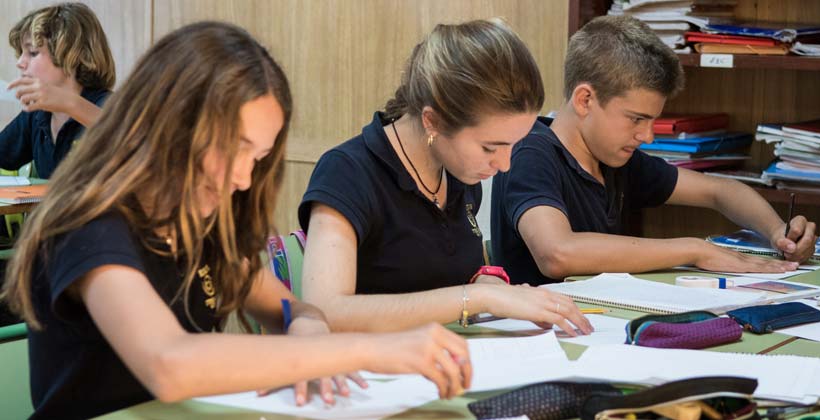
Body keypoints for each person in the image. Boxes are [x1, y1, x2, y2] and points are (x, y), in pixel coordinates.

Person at [1, 21, 470, 420]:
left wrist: (306, 326)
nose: (245, 177)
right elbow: (169, 363)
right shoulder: (91, 225)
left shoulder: (203, 224)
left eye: (259, 157)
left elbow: (292, 308)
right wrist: (367, 350)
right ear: (170, 124)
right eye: (235, 148)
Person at [299, 19, 593, 337]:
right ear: (433, 121)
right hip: (372, 373)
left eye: (513, 146)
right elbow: (327, 311)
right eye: (490, 147)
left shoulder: (456, 174)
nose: (504, 165)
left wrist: (494, 287)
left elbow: (442, 279)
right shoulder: (348, 172)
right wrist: (477, 297)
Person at [490, 15, 817, 286]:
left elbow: (720, 191)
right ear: (585, 100)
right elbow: (557, 254)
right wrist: (692, 249)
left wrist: (778, 233)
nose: (647, 136)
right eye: (636, 119)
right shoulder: (529, 152)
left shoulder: (612, 157)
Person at [1, 2, 115, 178]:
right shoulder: (37, 113)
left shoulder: (109, 104)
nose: (20, 62)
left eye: (32, 52)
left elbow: (133, 140)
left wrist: (68, 103)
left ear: (71, 56)